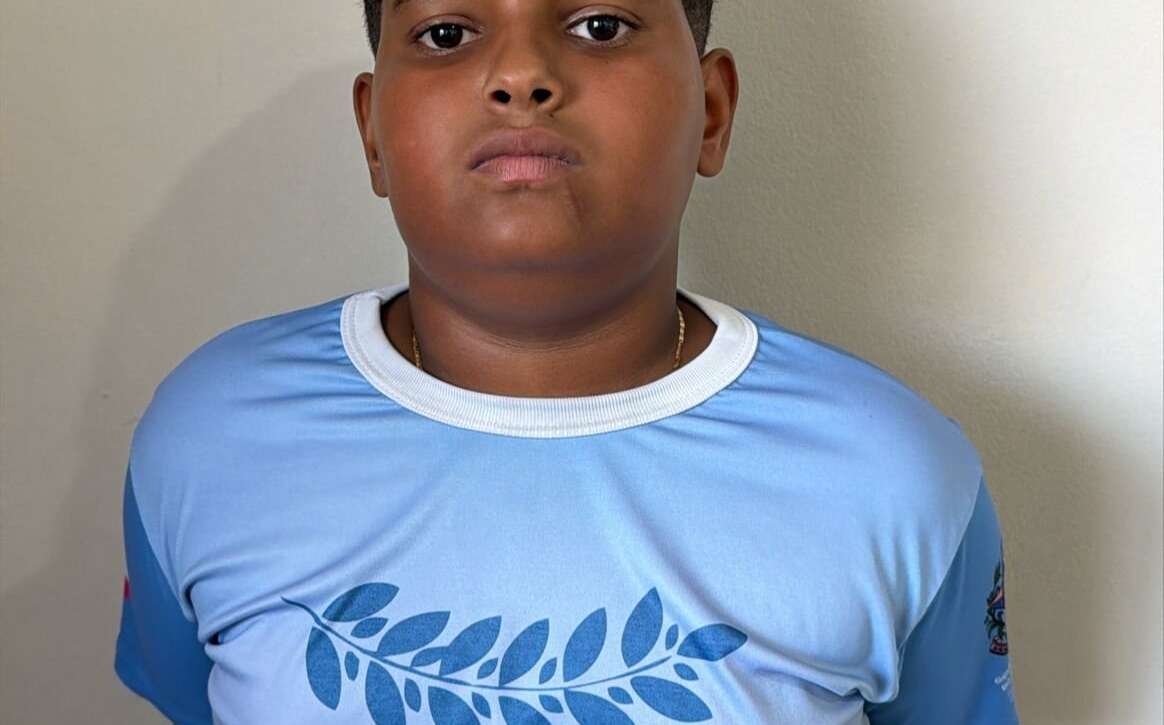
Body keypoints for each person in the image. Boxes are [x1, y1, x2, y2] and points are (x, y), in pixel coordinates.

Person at [113, 1, 1020, 723]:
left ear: (711, 112)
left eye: (600, 25)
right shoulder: (211, 439)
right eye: (447, 33)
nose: (521, 75)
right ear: (373, 129)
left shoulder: (894, 474)